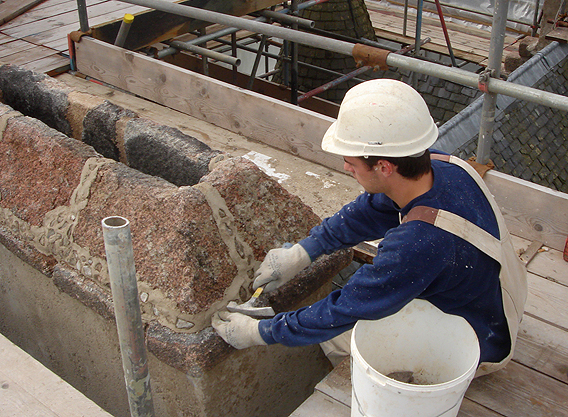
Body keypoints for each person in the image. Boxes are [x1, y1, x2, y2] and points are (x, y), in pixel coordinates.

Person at [212, 78, 527, 375]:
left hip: (479, 342)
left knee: (336, 338)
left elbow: (344, 309)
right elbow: (369, 211)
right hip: (493, 301)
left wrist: (260, 332)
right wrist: (304, 251)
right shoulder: (443, 167)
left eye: (351, 162)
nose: (346, 168)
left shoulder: (416, 244)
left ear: (384, 167)